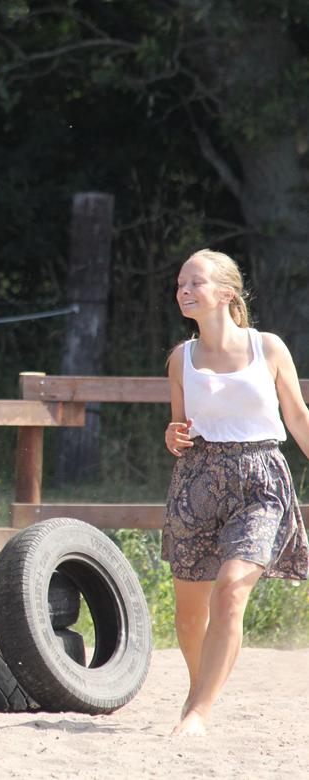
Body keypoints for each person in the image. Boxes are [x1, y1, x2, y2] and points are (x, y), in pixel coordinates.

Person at [163, 248, 309, 736]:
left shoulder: (268, 348)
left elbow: (298, 418)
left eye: (195, 283)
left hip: (260, 480)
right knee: (188, 616)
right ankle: (197, 690)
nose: (184, 291)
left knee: (230, 592)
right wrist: (172, 436)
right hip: (197, 481)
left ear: (227, 293)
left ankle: (199, 713)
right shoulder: (180, 358)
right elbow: (180, 427)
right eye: (181, 283)